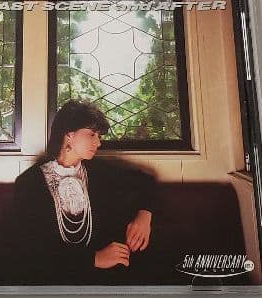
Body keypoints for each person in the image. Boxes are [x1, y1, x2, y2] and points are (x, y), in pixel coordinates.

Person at [11, 100, 157, 284]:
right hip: (52, 281)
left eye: (99, 136)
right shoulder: (29, 183)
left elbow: (146, 181)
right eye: (92, 134)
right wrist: (94, 259)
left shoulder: (100, 172)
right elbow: (30, 249)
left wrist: (144, 216)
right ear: (69, 134)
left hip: (102, 280)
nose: (98, 142)